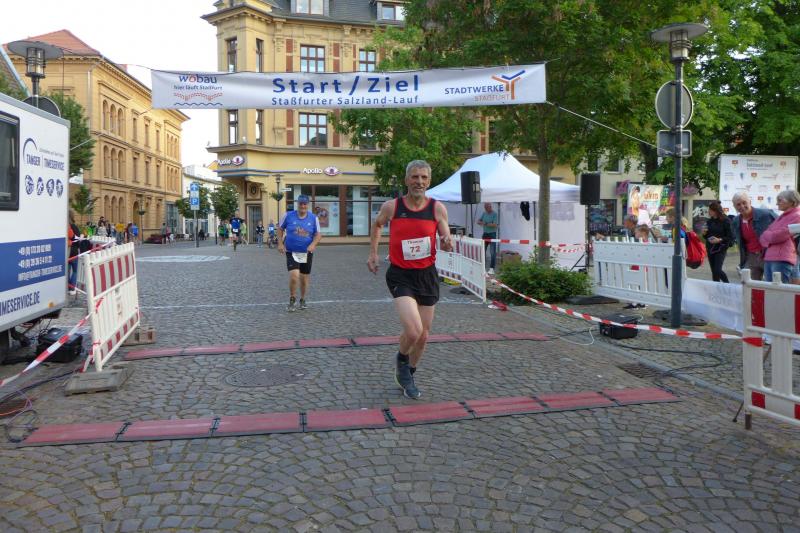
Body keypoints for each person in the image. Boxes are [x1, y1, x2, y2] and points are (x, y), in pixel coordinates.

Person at [367, 160, 453, 400]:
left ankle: (408, 373)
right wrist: (373, 253)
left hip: (426, 275)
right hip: (400, 274)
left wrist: (447, 241)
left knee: (423, 336)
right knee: (414, 331)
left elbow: (445, 235)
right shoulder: (392, 207)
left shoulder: (437, 208)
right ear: (406, 180)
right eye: (415, 177)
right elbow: (377, 225)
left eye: (424, 177)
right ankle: (401, 359)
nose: (419, 182)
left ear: (429, 181)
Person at [278, 195, 321, 311]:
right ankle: (292, 299)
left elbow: (318, 234)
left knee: (304, 278)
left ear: (308, 205)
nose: (303, 206)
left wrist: (313, 244)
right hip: (291, 251)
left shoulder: (313, 218)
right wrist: (280, 243)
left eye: (305, 204)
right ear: (297, 204)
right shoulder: (288, 215)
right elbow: (280, 229)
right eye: (301, 203)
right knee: (294, 275)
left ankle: (302, 299)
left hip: (306, 252)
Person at [732, 191, 776, 281]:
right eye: (738, 204)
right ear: (735, 207)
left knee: (772, 284)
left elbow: (783, 225)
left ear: (750, 202)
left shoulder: (766, 214)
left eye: (744, 202)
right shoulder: (736, 221)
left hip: (768, 256)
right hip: (751, 257)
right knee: (749, 284)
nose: (742, 206)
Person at [759, 190, 800, 283]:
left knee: (779, 290)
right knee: (770, 289)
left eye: (780, 200)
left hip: (782, 259)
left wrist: (769, 235)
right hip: (770, 258)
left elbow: (777, 236)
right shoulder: (782, 216)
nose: (777, 203)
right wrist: (770, 235)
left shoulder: (797, 216)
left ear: (792, 202)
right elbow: (762, 237)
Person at [703, 201, 734, 282]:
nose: (708, 212)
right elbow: (706, 236)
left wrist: (720, 240)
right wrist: (704, 234)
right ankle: (716, 288)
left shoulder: (726, 221)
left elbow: (731, 237)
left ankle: (727, 285)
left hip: (720, 248)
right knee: (714, 272)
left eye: (710, 210)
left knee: (717, 270)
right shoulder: (709, 221)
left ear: (716, 211)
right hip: (710, 247)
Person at [477, 202, 499, 274]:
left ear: (490, 207)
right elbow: (478, 221)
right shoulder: (484, 213)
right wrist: (480, 222)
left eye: (488, 207)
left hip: (492, 234)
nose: (487, 209)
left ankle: (492, 268)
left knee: (492, 252)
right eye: (486, 208)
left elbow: (495, 225)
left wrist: (485, 223)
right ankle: (482, 267)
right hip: (485, 234)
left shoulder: (495, 214)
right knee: (483, 250)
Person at [67, 211, 81, 296]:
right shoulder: (74, 227)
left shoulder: (65, 226)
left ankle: (68, 287)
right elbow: (77, 239)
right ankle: (72, 288)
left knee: (67, 271)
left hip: (67, 251)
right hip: (74, 251)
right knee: (75, 271)